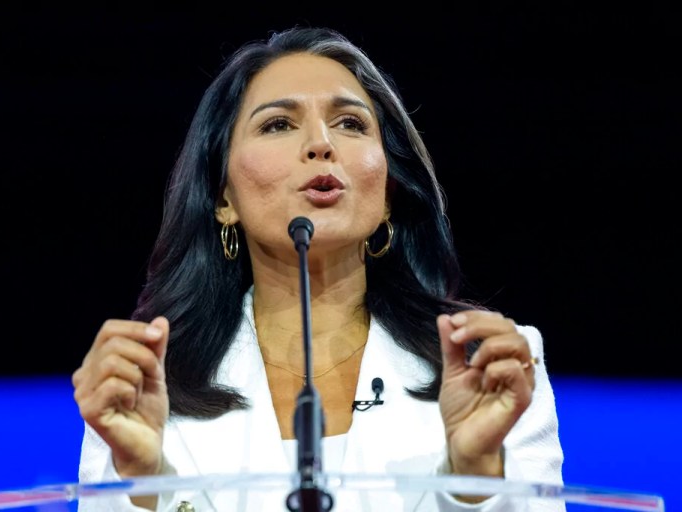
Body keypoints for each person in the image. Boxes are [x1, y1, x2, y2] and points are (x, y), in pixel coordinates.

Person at [71, 25, 564, 511]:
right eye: (277, 125)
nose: (321, 143)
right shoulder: (149, 381)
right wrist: (143, 481)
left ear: (388, 194)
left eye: (350, 123)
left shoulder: (489, 367)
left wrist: (475, 476)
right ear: (223, 198)